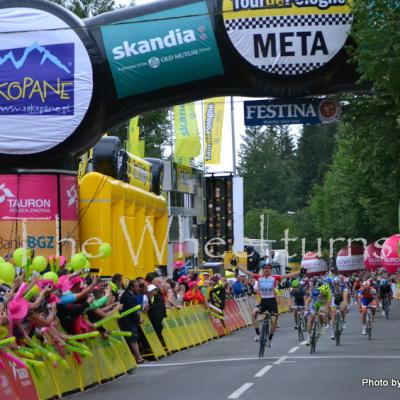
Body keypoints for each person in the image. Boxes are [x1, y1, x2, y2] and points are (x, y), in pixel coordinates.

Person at [237, 262, 298, 343]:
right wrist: (237, 264)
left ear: (270, 270)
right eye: (265, 268)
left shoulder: (275, 277)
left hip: (272, 302)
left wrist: (300, 271)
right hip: (263, 302)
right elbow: (247, 272)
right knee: (253, 313)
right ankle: (258, 334)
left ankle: (270, 337)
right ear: (263, 269)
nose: (266, 269)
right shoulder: (258, 277)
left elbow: (287, 275)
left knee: (273, 321)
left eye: (268, 268)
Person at [118, 280, 145, 364]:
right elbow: (133, 312)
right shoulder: (130, 297)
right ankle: (138, 358)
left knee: (132, 339)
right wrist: (138, 320)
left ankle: (137, 357)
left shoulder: (127, 294)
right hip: (127, 321)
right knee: (133, 340)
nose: (138, 289)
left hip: (125, 320)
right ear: (131, 287)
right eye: (136, 287)